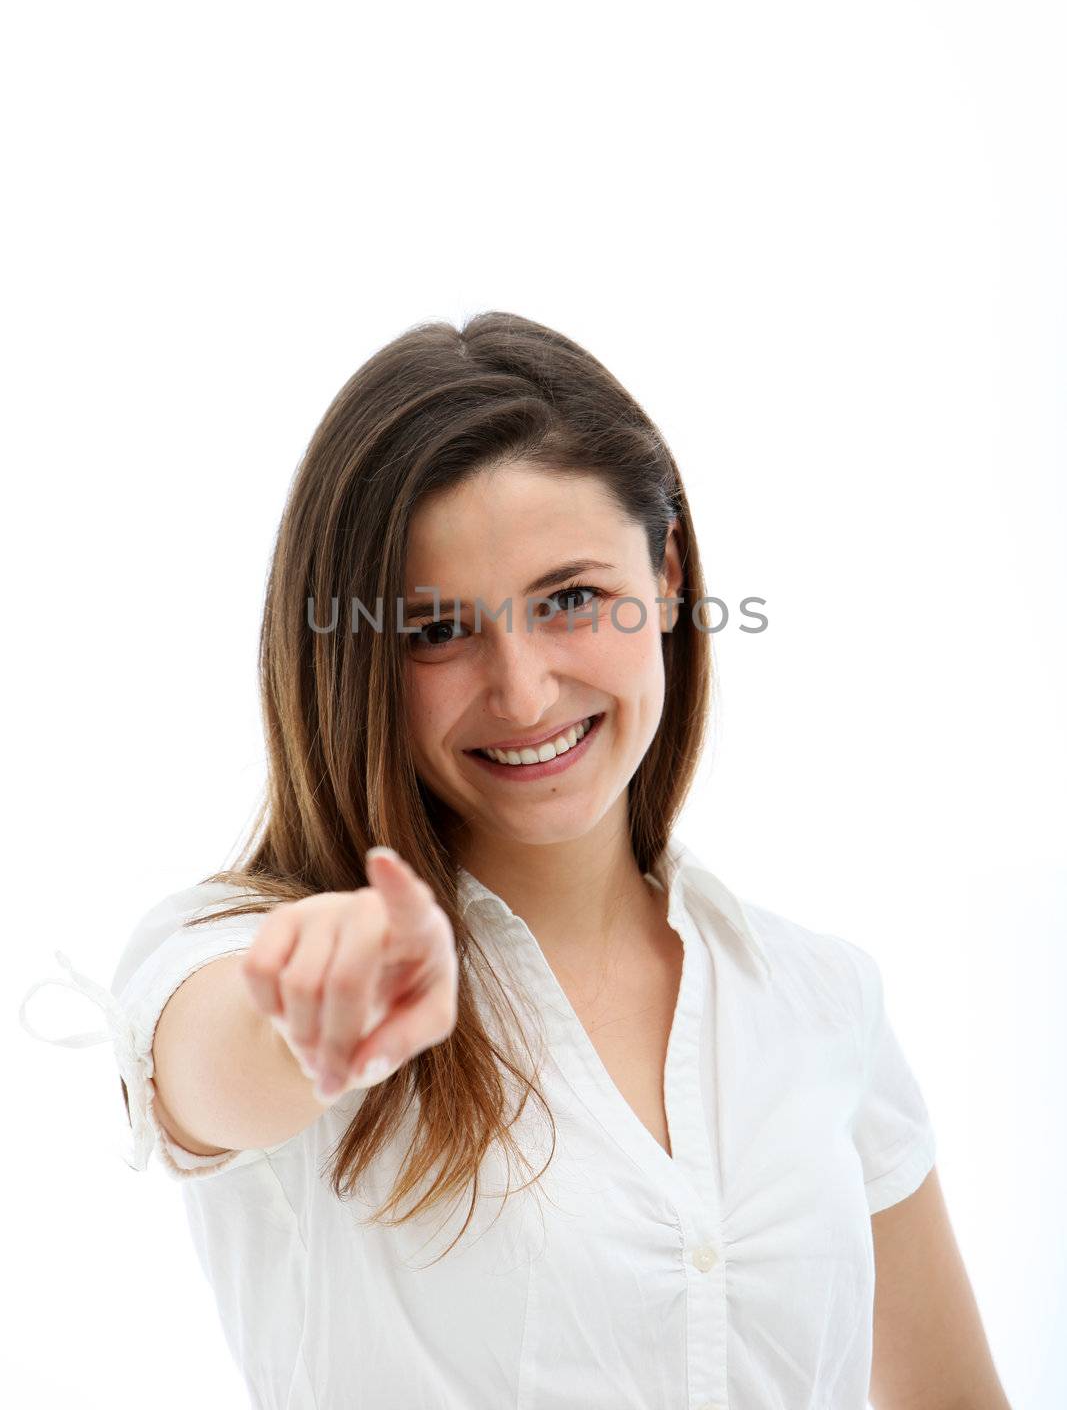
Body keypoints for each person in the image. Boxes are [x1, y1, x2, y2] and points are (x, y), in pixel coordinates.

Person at [19, 312, 1011, 1409]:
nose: (524, 691)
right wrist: (308, 1015)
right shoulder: (241, 946)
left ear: (667, 572)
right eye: (436, 629)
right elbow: (219, 1063)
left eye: (571, 599)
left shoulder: (819, 997)